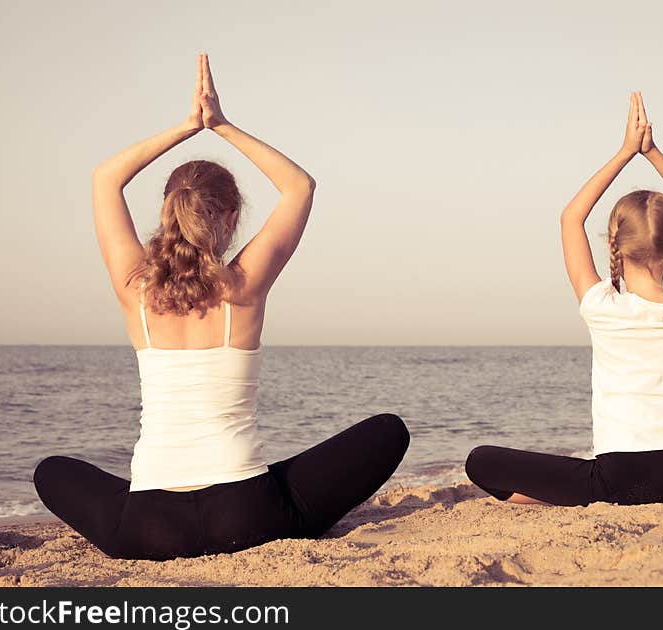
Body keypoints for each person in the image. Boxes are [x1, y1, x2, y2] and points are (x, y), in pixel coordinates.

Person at [33, 53, 409, 560]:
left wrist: (187, 127)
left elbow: (105, 179)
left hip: (147, 529)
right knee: (388, 431)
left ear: (167, 213)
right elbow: (300, 185)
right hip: (248, 516)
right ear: (231, 217)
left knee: (50, 470)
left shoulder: (135, 289)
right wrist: (221, 125)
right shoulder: (243, 288)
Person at [465, 92, 663, 506]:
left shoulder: (601, 306)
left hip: (614, 481)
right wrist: (652, 153)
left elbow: (570, 219)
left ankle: (567, 496)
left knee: (480, 462)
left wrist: (625, 152)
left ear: (614, 244)